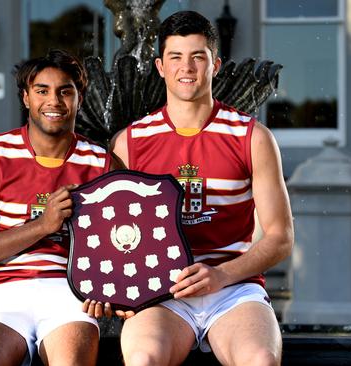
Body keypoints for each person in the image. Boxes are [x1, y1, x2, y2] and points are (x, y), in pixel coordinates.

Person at [109, 10, 294, 366]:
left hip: (233, 288)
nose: (187, 67)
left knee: (260, 360)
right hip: (161, 291)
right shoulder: (130, 143)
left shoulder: (251, 137)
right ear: (160, 66)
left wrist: (221, 275)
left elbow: (281, 237)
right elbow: (113, 233)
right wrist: (114, 288)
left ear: (216, 64)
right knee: (144, 358)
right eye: (176, 57)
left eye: (198, 56)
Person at [0, 49, 119, 366]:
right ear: (26, 98)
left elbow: (115, 249)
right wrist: (43, 225)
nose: (54, 101)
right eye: (42, 90)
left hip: (68, 292)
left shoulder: (101, 162)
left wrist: (107, 288)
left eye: (65, 91)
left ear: (79, 97)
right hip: (1, 290)